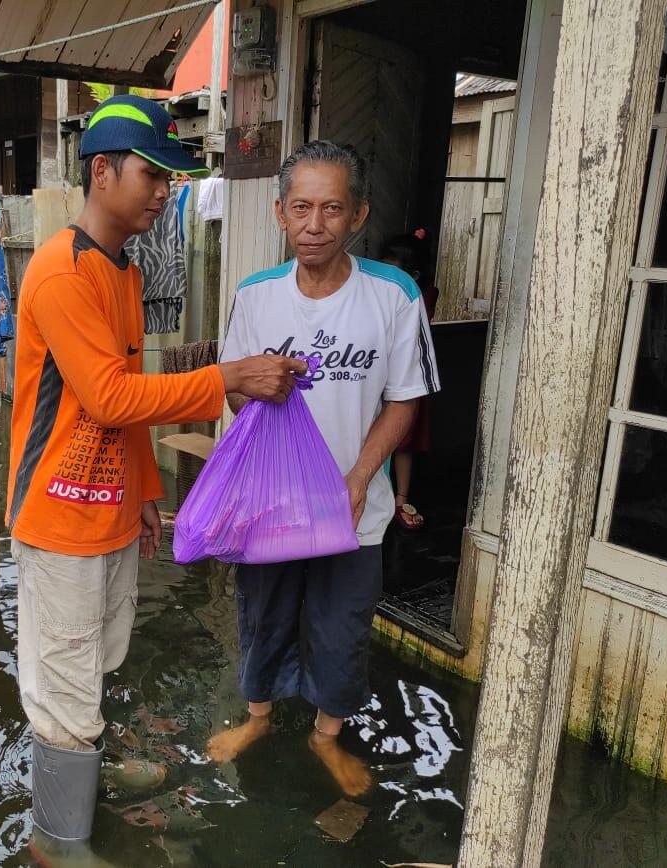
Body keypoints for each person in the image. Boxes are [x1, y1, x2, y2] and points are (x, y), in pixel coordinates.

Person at [7, 94, 310, 844]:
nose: (162, 190)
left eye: (170, 177)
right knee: (65, 685)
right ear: (102, 172)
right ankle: (57, 842)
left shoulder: (126, 273)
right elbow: (109, 397)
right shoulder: (61, 273)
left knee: (97, 661)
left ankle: (76, 788)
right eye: (152, 174)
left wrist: (145, 491)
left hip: (108, 506)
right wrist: (231, 376)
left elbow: (128, 398)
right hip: (58, 516)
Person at [208, 141, 441, 797]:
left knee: (341, 628)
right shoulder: (256, 296)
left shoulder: (393, 296)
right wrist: (254, 387)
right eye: (302, 208)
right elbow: (230, 391)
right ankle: (257, 718)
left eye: (332, 208)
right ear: (281, 213)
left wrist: (362, 477)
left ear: (358, 214)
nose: (315, 224)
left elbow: (406, 397)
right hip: (270, 505)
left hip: (351, 509)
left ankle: (325, 736)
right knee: (263, 617)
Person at [379, 230, 439, 530]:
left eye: (394, 272)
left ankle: (400, 498)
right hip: (377, 377)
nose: (387, 278)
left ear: (412, 276)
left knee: (403, 441)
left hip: (407, 379)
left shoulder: (420, 297)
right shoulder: (376, 295)